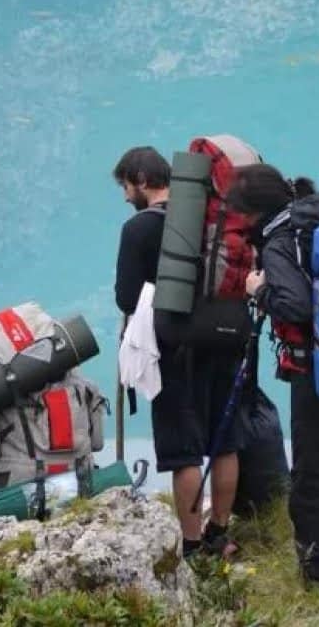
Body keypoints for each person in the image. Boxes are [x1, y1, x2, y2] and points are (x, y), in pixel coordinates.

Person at [112, 146, 285, 559]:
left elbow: (126, 298)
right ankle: (219, 533)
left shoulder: (140, 229)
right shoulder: (215, 218)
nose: (124, 197)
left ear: (140, 179)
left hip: (175, 348)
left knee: (184, 451)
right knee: (225, 442)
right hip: (228, 337)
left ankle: (191, 543)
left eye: (125, 186)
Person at [228, 163, 319, 590]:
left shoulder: (280, 240)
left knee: (314, 466)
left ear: (254, 213)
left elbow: (294, 306)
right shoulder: (318, 217)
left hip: (315, 366)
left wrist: (258, 289)